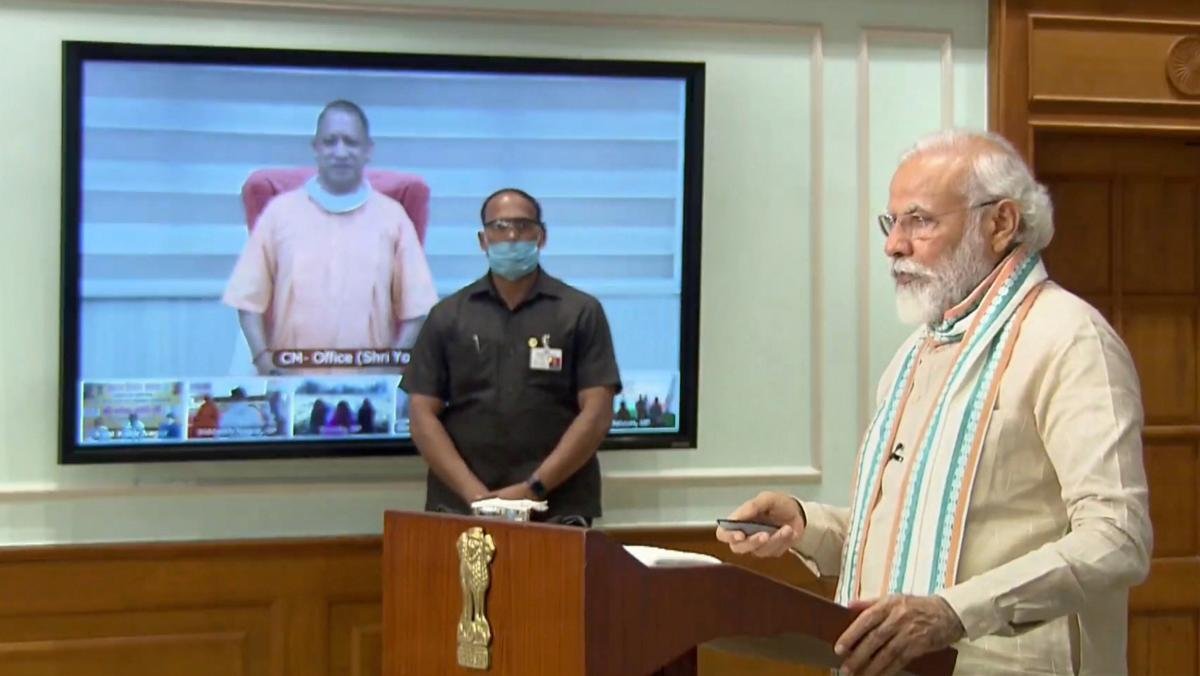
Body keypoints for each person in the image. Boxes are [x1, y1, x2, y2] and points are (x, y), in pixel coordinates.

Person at [716, 130, 1152, 675]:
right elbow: (913, 536)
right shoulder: (916, 353)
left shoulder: (1070, 339)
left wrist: (954, 613)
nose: (894, 245)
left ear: (1000, 223)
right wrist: (807, 525)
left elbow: (1117, 538)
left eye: (919, 221)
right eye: (892, 222)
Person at [402, 188, 621, 525]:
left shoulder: (579, 312)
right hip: (462, 506)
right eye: (500, 226)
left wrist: (533, 489)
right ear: (483, 240)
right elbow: (421, 414)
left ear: (541, 236)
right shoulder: (448, 315)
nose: (512, 236)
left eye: (523, 225)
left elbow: (597, 413)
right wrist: (477, 497)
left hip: (557, 506)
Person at [222, 99, 438, 375]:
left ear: (368, 150)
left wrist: (389, 369)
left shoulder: (393, 218)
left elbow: (417, 309)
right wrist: (265, 363)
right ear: (316, 148)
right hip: (291, 381)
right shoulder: (279, 213)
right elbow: (247, 301)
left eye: (351, 142)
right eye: (330, 141)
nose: (340, 152)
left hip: (369, 383)